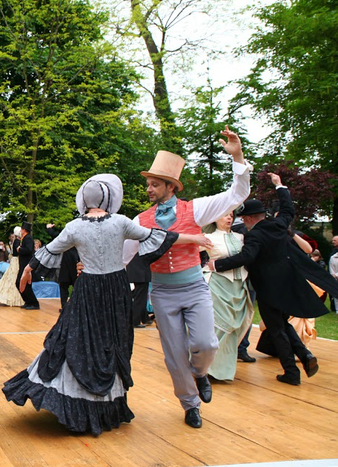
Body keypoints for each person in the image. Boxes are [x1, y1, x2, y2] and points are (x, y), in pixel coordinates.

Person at [3, 174, 210, 436]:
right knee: (112, 343)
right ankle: (104, 407)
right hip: (116, 290)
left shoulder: (74, 227)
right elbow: (160, 237)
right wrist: (194, 239)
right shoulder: (121, 222)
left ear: (84, 200)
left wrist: (27, 270)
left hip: (88, 289)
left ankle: (77, 402)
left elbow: (49, 251)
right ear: (108, 197)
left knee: (77, 339)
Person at [123, 127, 251, 429]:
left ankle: (200, 372)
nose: (149, 189)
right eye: (148, 185)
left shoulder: (196, 209)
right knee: (174, 356)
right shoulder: (139, 220)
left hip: (194, 287)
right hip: (163, 294)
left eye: (155, 184)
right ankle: (190, 404)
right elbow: (122, 256)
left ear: (171, 187)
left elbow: (238, 193)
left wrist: (238, 156)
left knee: (206, 343)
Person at [210, 173, 338, 385]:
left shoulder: (254, 235)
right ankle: (304, 355)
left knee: (276, 329)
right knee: (281, 325)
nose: (243, 222)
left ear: (250, 218)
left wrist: (217, 264)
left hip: (269, 289)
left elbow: (247, 257)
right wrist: (280, 186)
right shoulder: (278, 225)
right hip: (289, 284)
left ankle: (291, 372)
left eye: (243, 219)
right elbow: (288, 209)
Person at [201, 212, 254, 381]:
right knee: (219, 327)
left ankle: (223, 370)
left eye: (231, 215)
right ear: (215, 218)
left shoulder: (241, 237)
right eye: (224, 215)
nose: (229, 218)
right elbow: (187, 249)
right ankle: (207, 368)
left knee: (233, 329)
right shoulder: (208, 237)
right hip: (217, 284)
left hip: (239, 286)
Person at [46, 224, 80, 311]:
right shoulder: (80, 236)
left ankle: (67, 306)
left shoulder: (68, 237)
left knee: (67, 286)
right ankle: (70, 306)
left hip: (70, 263)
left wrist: (49, 228)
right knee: (71, 286)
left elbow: (55, 235)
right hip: (73, 262)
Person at [16, 222, 40, 310]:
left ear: (24, 230)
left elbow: (29, 250)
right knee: (21, 283)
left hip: (27, 265)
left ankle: (34, 303)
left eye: (21, 229)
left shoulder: (28, 238)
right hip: (23, 265)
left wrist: (20, 249)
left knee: (22, 283)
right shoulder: (25, 238)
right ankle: (28, 301)